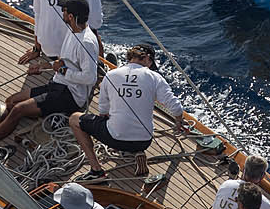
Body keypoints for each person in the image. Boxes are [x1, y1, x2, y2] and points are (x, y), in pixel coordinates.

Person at [0, 0, 99, 147]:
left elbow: (90, 78)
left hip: (70, 95)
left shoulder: (86, 42)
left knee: (18, 109)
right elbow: (64, 63)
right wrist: (44, 66)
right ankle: (44, 113)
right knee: (11, 101)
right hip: (57, 85)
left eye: (64, 10)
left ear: (70, 16)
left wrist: (62, 71)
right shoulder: (73, 30)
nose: (62, 12)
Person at [69, 44, 185, 180]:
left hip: (114, 140)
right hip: (144, 141)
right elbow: (176, 107)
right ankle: (136, 150)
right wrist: (178, 122)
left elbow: (103, 111)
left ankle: (96, 170)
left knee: (74, 119)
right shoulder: (154, 78)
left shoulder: (111, 75)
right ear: (147, 58)